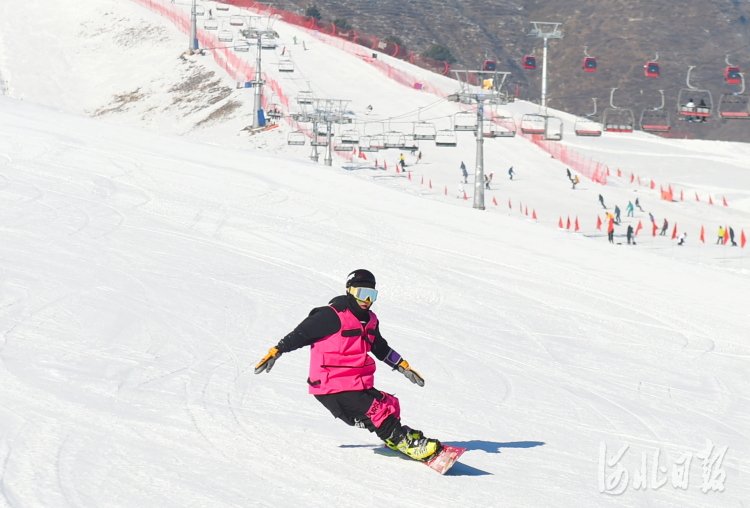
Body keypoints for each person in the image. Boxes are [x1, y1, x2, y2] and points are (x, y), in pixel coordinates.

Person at [254, 270, 441, 462]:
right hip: (330, 384)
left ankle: (394, 436)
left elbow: (379, 347)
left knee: (389, 404)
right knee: (377, 410)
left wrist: (402, 366)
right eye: (362, 293)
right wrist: (277, 350)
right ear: (349, 291)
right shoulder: (330, 316)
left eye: (372, 295)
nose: (367, 300)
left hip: (354, 383)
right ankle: (404, 442)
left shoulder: (370, 320)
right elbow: (300, 334)